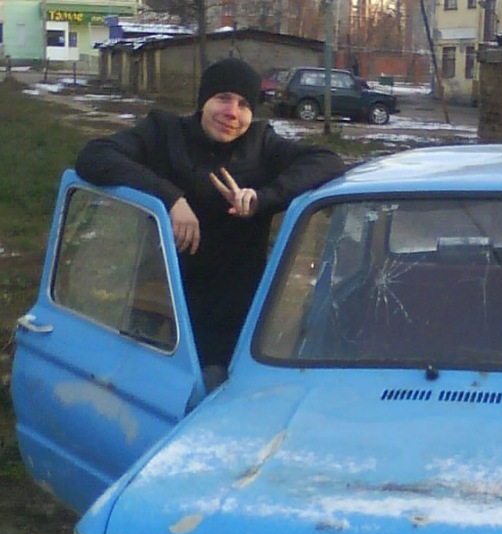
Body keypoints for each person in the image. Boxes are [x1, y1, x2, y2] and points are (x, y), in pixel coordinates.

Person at [75, 57, 345, 383]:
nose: (232, 113)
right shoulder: (165, 133)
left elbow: (328, 161)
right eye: (223, 98)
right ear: (204, 100)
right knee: (143, 390)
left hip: (232, 315)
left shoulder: (261, 144)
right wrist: (170, 198)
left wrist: (261, 198)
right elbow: (95, 155)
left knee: (216, 395)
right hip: (160, 301)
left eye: (244, 105)